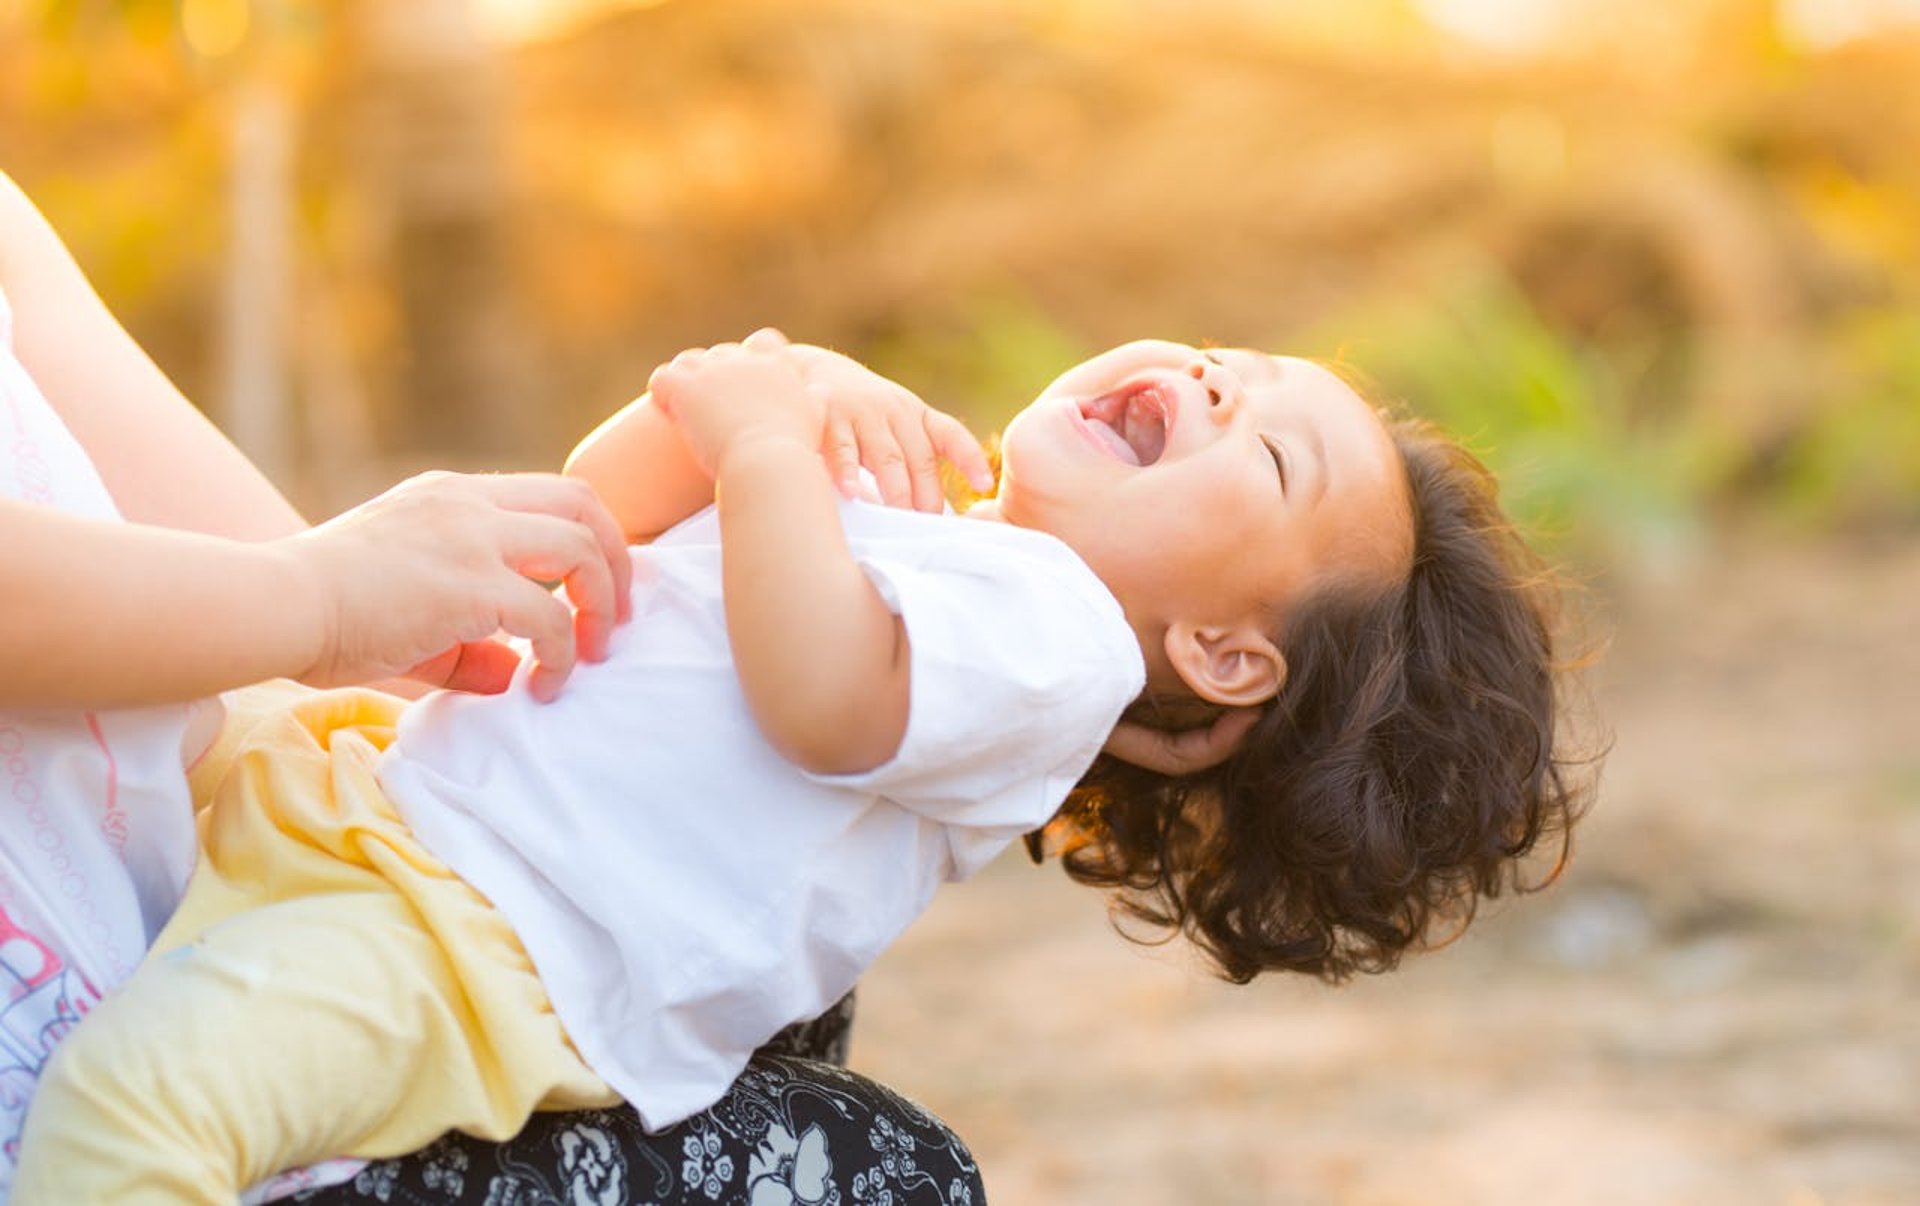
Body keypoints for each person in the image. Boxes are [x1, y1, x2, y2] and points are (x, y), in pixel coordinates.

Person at [14, 323, 1589, 1202]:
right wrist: (726, 405)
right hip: (378, 807)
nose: (1221, 381)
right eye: (1233, 357)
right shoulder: (932, 518)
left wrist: (772, 448)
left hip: (466, 940)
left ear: (1226, 655)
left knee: (142, 1116)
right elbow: (599, 517)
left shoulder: (1054, 643)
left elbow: (822, 696)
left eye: (1268, 446)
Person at [0, 174, 988, 1204]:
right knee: (881, 1169)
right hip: (96, 1079)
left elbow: (288, 583)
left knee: (738, 949)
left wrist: (415, 633)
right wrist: (322, 598)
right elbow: (310, 593)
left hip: (187, 877)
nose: (1178, 369)